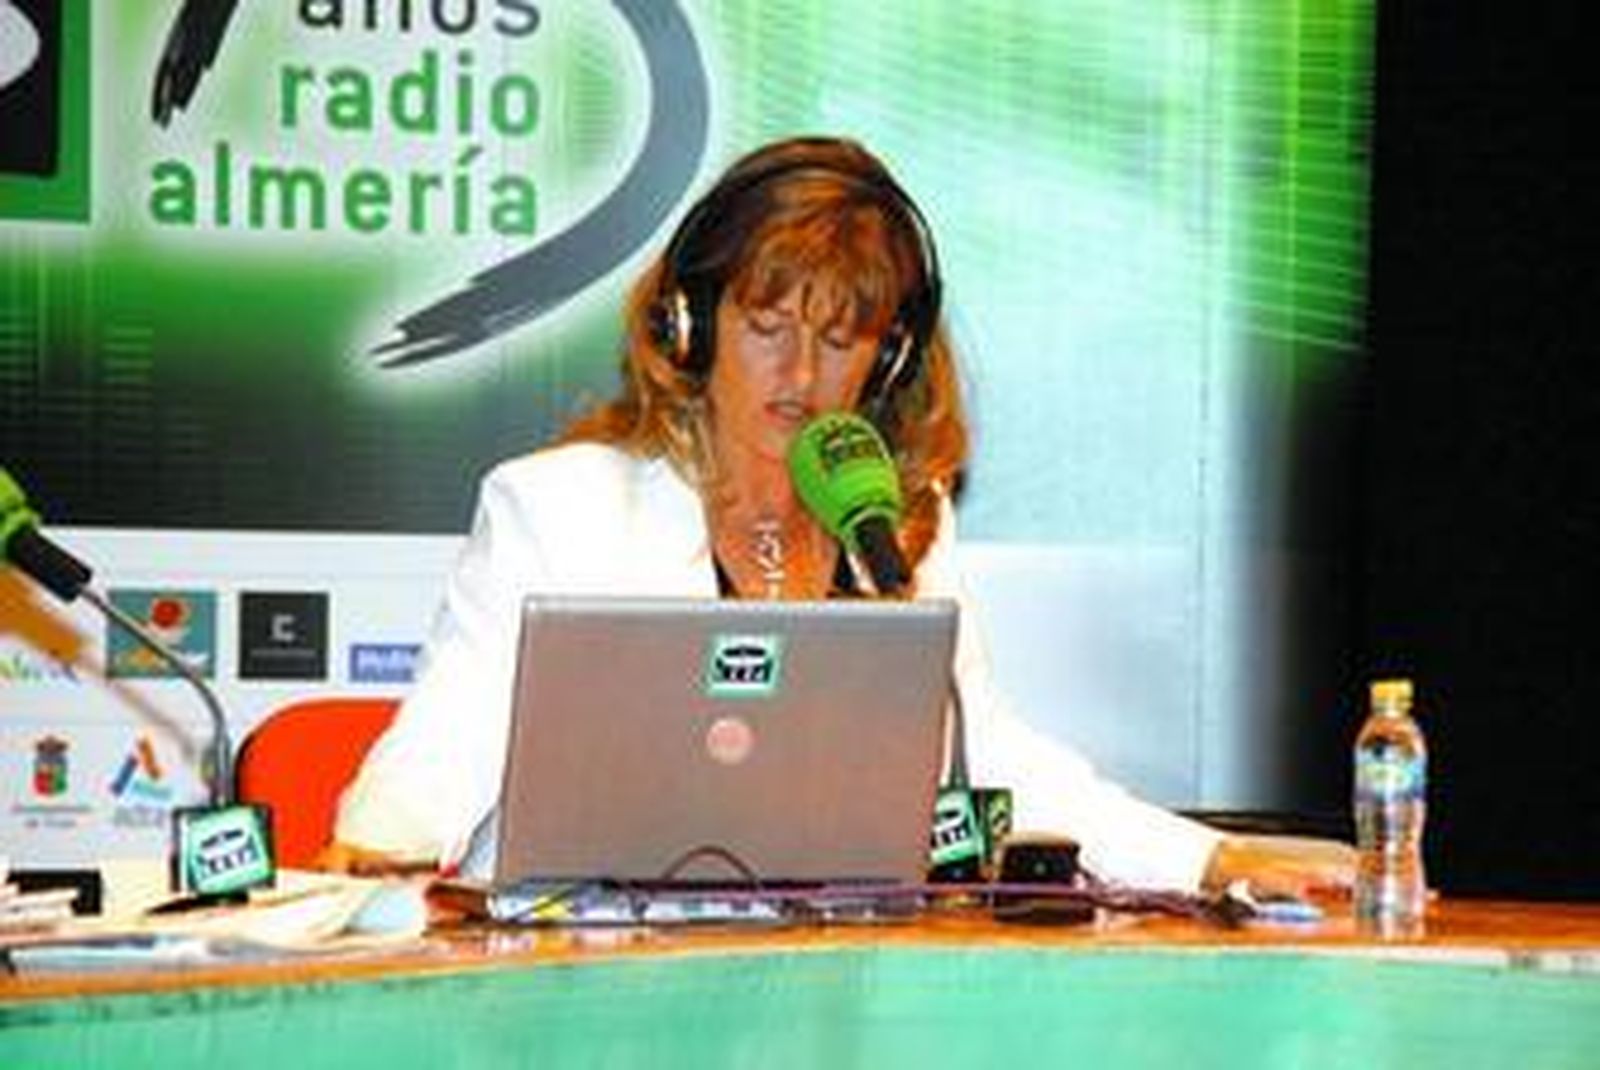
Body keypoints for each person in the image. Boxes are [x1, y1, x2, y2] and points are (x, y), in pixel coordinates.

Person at [326, 136, 1353, 898]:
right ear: (691, 326)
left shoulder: (896, 526)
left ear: (890, 358)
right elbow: (441, 745)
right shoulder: (556, 508)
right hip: (579, 978)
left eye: (840, 338)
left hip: (828, 971)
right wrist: (376, 853)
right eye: (766, 324)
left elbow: (993, 756)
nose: (799, 373)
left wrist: (1212, 859)